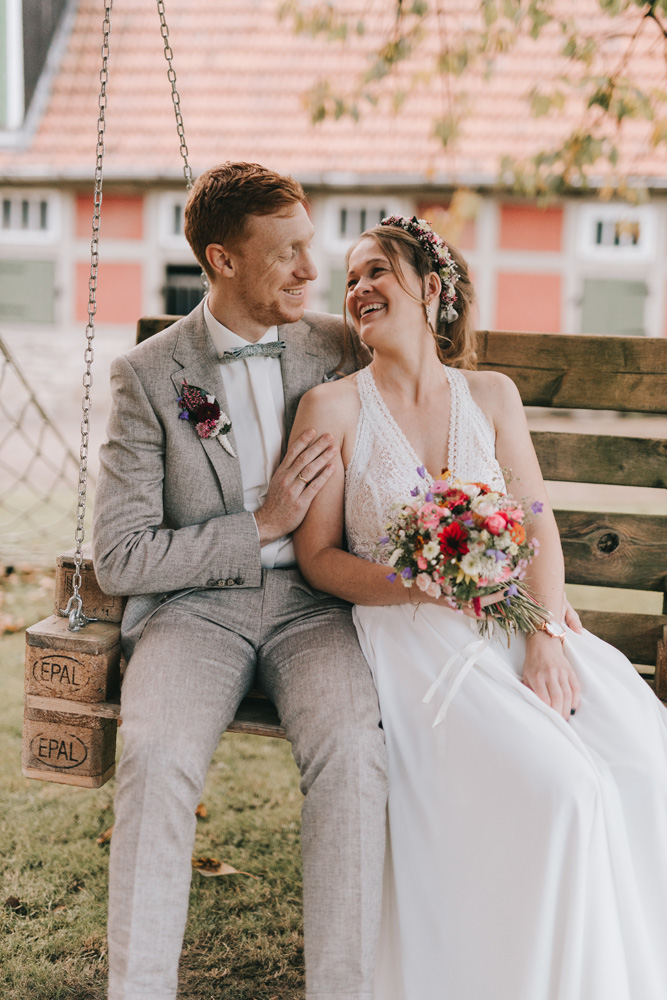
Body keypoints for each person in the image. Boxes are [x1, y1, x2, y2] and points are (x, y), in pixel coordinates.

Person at [290, 215, 667, 1000]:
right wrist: (412, 583)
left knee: (644, 760)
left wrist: (546, 635)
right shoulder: (332, 408)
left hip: (517, 623)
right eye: (349, 279)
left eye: (376, 271)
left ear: (431, 288)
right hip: (413, 641)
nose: (357, 289)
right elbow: (318, 558)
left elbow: (535, 520)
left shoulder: (490, 394)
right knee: (565, 793)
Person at [92, 162, 389, 1000]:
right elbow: (121, 557)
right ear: (222, 260)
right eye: (286, 251)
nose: (310, 269)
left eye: (310, 247)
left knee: (354, 751)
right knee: (154, 756)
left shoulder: (340, 346)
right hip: (194, 613)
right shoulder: (147, 376)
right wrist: (259, 525)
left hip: (315, 607)